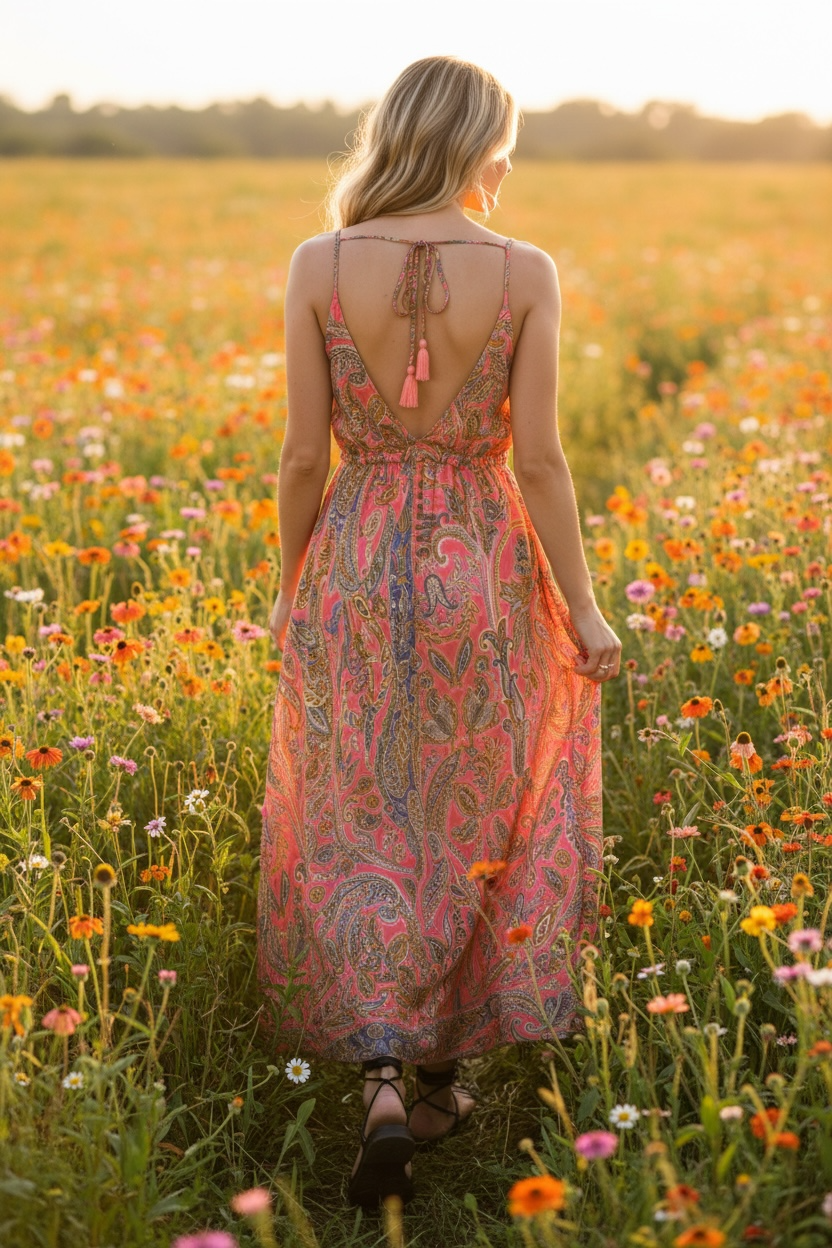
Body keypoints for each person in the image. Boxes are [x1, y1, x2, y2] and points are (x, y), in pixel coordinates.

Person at [258, 55, 622, 1210]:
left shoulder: (320, 262)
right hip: (482, 561)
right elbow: (544, 459)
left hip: (356, 562)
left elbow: (305, 454)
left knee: (360, 803)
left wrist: (287, 583)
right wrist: (584, 600)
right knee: (476, 804)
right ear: (482, 147)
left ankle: (376, 1074)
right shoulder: (523, 269)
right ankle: (444, 1078)